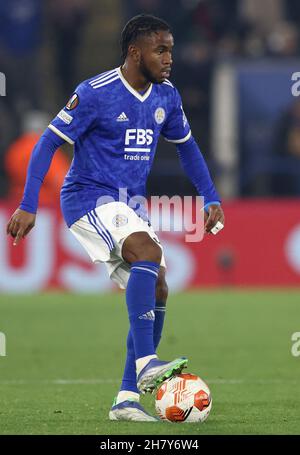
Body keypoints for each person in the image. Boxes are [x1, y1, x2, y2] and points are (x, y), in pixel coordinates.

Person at [6, 14, 225, 422]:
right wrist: (29, 203)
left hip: (129, 204)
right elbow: (47, 143)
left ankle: (126, 400)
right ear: (134, 52)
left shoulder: (167, 96)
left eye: (171, 50)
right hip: (88, 197)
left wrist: (210, 197)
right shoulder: (95, 93)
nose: (169, 59)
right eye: (161, 50)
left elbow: (188, 148)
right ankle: (147, 363)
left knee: (157, 285)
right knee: (148, 252)